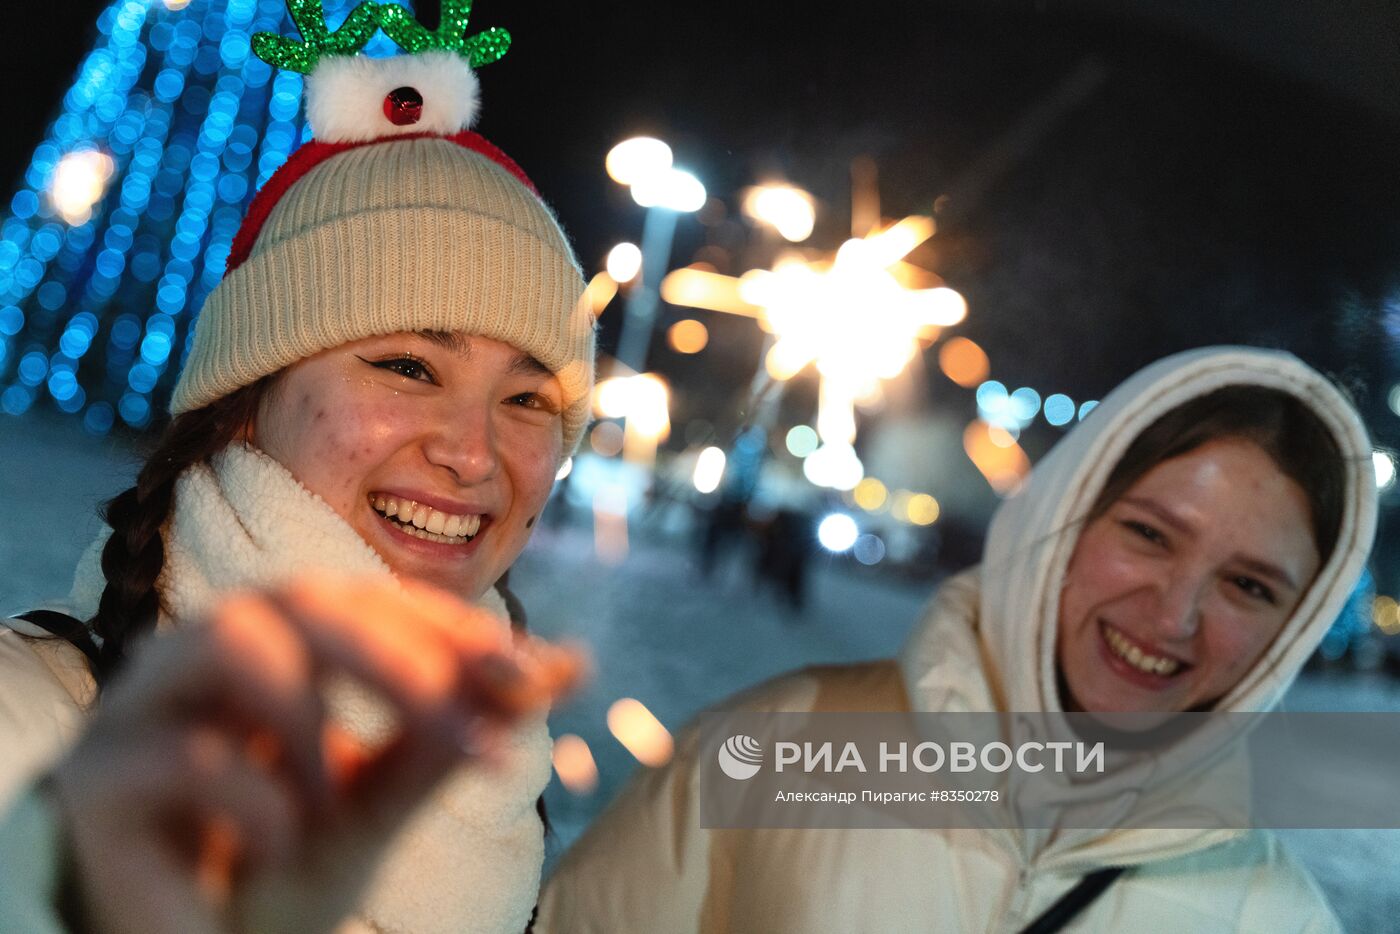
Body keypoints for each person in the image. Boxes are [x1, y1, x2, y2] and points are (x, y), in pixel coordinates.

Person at [0, 30, 595, 934]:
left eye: (527, 397)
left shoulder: (509, 797)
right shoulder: (27, 739)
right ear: (245, 399)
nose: (474, 455)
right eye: (408, 367)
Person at [537, 346, 1377, 933]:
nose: (1174, 615)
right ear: (1064, 520)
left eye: (1249, 586)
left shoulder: (1279, 916)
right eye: (1150, 535)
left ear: (1295, 626)